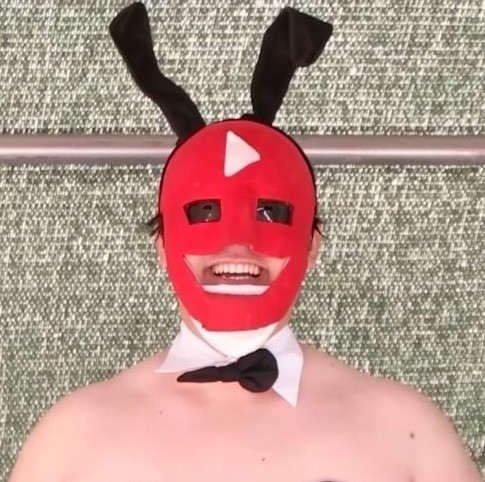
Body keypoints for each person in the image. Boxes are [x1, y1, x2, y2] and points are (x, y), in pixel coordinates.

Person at [9, 3, 483, 481]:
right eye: (204, 213)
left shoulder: (407, 432)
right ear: (162, 244)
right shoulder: (72, 440)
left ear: (313, 245)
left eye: (270, 213)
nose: (239, 245)